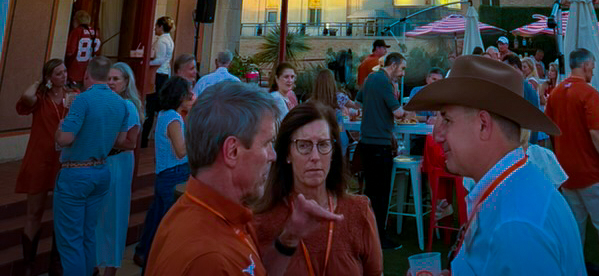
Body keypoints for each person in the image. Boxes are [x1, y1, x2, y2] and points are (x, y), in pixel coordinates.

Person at [407, 54, 585, 275]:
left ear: (483, 125)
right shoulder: (510, 188)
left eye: (447, 119)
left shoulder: (515, 225)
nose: (437, 134)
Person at [145, 83, 341, 276]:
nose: (273, 155)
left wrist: (289, 238)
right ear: (232, 151)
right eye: (266, 144)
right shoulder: (209, 259)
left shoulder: (223, 213)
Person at [253, 102, 382, 275]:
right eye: (304, 145)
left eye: (323, 145)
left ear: (333, 152)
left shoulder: (358, 212)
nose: (315, 157)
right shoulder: (263, 221)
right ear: (287, 154)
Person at [545, 47, 599, 276]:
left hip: (568, 176)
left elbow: (551, 133)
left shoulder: (556, 93)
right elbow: (596, 133)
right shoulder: (590, 93)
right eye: (593, 66)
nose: (594, 70)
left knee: (574, 235)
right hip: (594, 175)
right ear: (587, 65)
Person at [53, 55, 132, 276]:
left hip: (76, 172)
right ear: (108, 76)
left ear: (88, 74)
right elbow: (120, 140)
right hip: (101, 170)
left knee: (70, 240)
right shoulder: (121, 103)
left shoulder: (83, 100)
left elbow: (65, 139)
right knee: (88, 234)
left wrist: (59, 129)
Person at [15, 58, 71, 276]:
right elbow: (25, 98)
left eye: (65, 72)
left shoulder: (71, 97)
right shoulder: (40, 98)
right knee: (34, 212)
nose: (64, 76)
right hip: (39, 159)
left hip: (63, 160)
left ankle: (55, 262)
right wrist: (40, 82)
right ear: (50, 77)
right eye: (58, 73)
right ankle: (28, 263)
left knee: (62, 212)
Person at [134, 76, 192, 266]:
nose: (191, 96)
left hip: (164, 173)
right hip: (174, 174)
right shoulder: (174, 118)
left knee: (157, 217)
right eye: (187, 93)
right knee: (169, 221)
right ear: (179, 96)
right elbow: (181, 150)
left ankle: (145, 253)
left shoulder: (164, 115)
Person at [94, 63, 143, 276]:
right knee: (98, 215)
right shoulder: (102, 102)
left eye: (116, 79)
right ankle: (94, 264)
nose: (111, 83)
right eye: (109, 79)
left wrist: (101, 138)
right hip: (101, 162)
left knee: (114, 214)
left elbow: (131, 142)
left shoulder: (128, 106)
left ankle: (110, 269)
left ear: (126, 83)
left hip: (119, 163)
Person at [357, 51, 406, 248]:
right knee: (382, 194)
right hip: (379, 144)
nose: (403, 73)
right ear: (393, 65)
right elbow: (399, 113)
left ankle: (366, 234)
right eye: (402, 68)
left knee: (371, 191)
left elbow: (359, 101)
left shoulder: (371, 78)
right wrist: (416, 110)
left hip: (368, 142)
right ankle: (379, 237)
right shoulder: (384, 82)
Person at [141, 16, 175, 147]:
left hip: (157, 74)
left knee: (150, 106)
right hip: (164, 74)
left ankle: (144, 139)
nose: (155, 28)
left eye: (156, 26)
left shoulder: (161, 41)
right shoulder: (169, 40)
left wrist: (146, 62)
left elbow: (159, 59)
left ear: (161, 26)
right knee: (156, 106)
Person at [64, 11, 101, 86]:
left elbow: (70, 51)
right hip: (89, 71)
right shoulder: (96, 32)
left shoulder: (77, 31)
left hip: (75, 71)